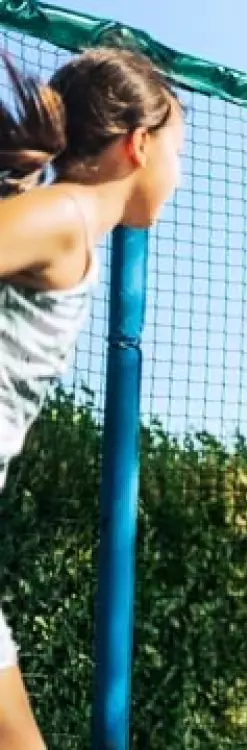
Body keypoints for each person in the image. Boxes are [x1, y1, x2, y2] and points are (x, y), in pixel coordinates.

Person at [0, 48, 184, 749]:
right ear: (138, 146)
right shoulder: (67, 216)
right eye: (178, 152)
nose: (180, 174)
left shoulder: (63, 225)